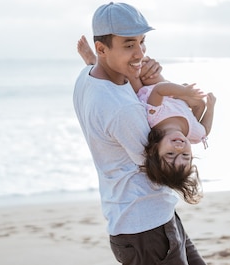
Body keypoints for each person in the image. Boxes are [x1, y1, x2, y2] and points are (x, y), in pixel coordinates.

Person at [73, 2, 207, 265]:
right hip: (145, 229)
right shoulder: (122, 110)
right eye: (128, 45)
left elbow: (129, 93)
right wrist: (158, 83)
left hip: (147, 217)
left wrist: (151, 78)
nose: (140, 53)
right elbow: (160, 163)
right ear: (102, 49)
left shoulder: (87, 76)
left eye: (142, 42)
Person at [77, 35, 216, 204]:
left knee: (135, 75)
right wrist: (210, 106)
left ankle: (94, 62)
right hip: (172, 96)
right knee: (147, 67)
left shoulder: (154, 121)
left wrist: (183, 92)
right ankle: (105, 63)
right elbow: (205, 130)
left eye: (171, 154)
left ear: (157, 150)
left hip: (146, 94)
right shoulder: (193, 133)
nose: (179, 148)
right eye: (185, 155)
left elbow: (158, 91)